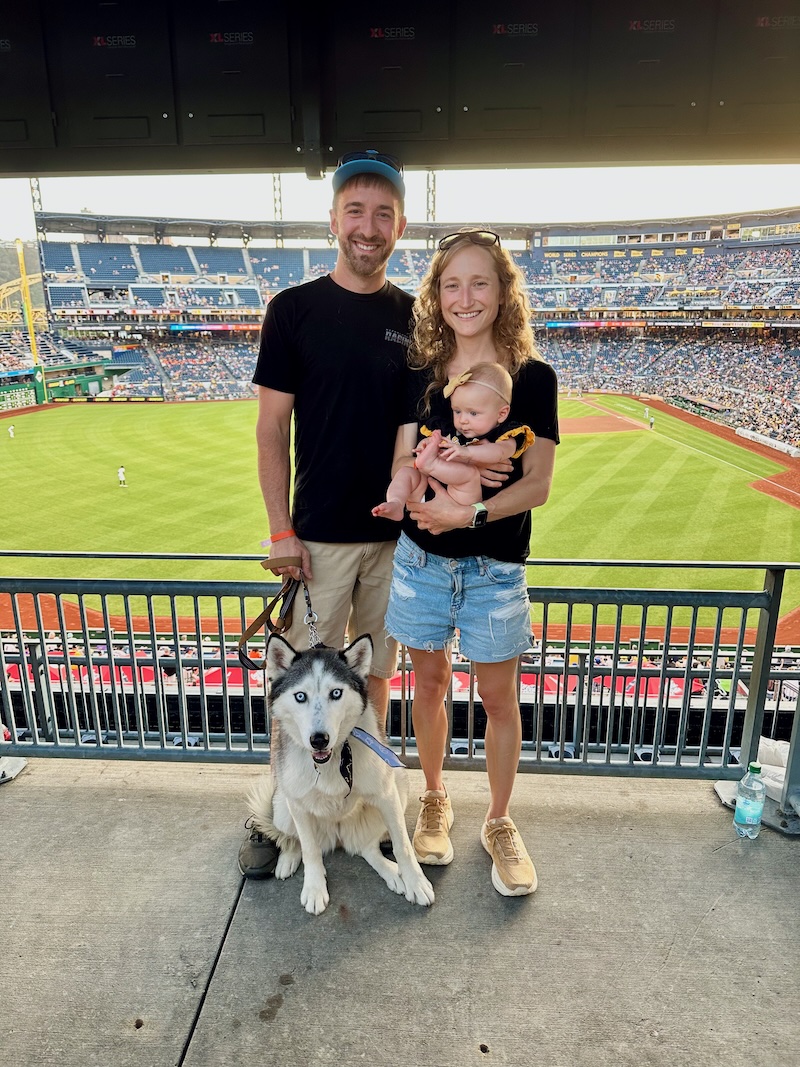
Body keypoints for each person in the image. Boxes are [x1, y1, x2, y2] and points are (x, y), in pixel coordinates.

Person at [239, 149, 413, 879]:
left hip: (396, 545)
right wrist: (280, 529)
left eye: (383, 214)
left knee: (371, 687)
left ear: (399, 226)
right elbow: (271, 428)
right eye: (355, 211)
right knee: (302, 688)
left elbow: (413, 424)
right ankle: (280, 820)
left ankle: (365, 804)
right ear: (335, 219)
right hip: (320, 542)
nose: (368, 227)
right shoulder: (294, 309)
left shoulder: (413, 315)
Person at [384, 229, 559, 897]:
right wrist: (417, 486)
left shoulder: (534, 377)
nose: (465, 297)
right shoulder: (421, 376)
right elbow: (404, 455)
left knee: (497, 697)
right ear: (437, 294)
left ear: (502, 292)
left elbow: (536, 483)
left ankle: (500, 820)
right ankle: (434, 796)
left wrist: (469, 513)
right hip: (424, 562)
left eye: (480, 282)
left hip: (495, 568)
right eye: (451, 284)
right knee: (427, 687)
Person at [372, 361, 534, 517]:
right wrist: (427, 446)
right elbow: (439, 445)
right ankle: (395, 503)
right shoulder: (452, 431)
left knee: (469, 473)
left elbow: (499, 452)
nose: (463, 420)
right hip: (428, 493)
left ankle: (431, 464)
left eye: (473, 413)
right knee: (406, 473)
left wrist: (467, 454)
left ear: (501, 413)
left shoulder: (505, 434)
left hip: (461, 500)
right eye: (457, 411)